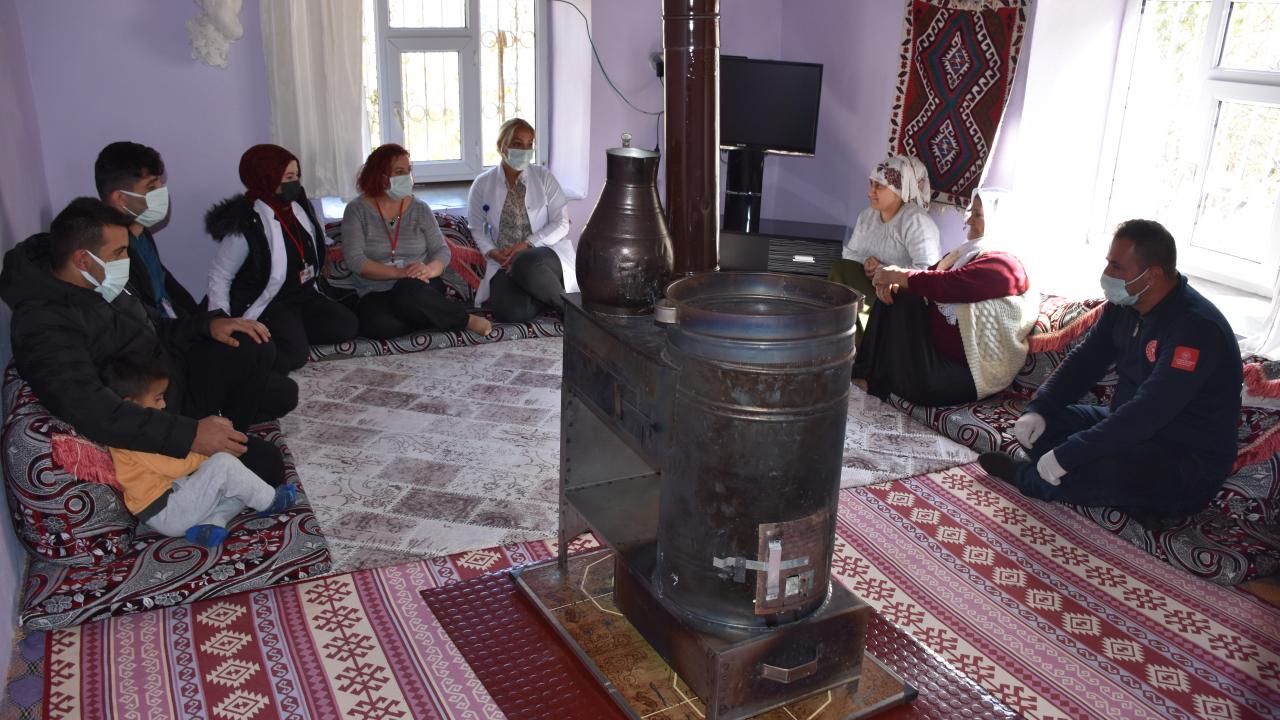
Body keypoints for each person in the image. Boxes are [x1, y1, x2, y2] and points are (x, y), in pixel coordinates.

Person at [0, 198, 287, 488]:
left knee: (253, 345)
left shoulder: (99, 279)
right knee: (269, 465)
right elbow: (93, 410)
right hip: (151, 420)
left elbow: (156, 326)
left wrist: (208, 324)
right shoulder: (43, 325)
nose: (126, 259)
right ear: (82, 260)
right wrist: (190, 434)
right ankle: (209, 453)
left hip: (171, 379)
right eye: (119, 252)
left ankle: (225, 432)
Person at [978, 219, 1242, 527]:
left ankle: (1027, 478)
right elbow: (1085, 361)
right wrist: (1040, 408)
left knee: (1102, 469)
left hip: (1183, 456)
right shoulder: (1125, 305)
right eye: (1108, 263)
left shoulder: (1196, 329)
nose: (1107, 274)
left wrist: (1069, 455)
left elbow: (1148, 412)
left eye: (1116, 266)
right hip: (1127, 426)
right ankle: (1111, 492)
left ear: (1152, 275)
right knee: (1044, 428)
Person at [95, 141, 298, 423]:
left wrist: (209, 321)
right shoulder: (112, 251)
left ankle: (222, 409)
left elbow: (168, 290)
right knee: (254, 347)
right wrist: (204, 327)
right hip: (162, 355)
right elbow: (147, 326)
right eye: (151, 187)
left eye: (160, 184)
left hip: (180, 334)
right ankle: (215, 425)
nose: (162, 193)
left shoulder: (140, 234)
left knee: (283, 391)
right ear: (121, 198)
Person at [852, 188, 1035, 405]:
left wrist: (897, 275)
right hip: (932, 355)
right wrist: (893, 282)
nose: (969, 220)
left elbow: (950, 285)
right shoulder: (962, 255)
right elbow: (928, 276)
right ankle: (865, 375)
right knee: (899, 294)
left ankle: (873, 379)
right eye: (971, 212)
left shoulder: (1006, 265)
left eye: (978, 215)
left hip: (964, 375)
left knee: (905, 294)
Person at [102, 356, 296, 548]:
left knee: (235, 487)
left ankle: (211, 525)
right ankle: (270, 501)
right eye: (158, 398)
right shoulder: (134, 438)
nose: (163, 405)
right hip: (167, 511)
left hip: (169, 501)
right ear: (131, 405)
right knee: (223, 464)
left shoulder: (128, 430)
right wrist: (209, 452)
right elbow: (175, 466)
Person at [206, 144, 359, 372]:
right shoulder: (248, 223)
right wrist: (221, 318)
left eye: (296, 176)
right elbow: (220, 274)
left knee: (346, 325)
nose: (295, 182)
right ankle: (261, 342)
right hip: (271, 302)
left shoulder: (298, 207)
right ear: (266, 177)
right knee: (293, 356)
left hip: (303, 295)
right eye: (288, 177)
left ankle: (290, 332)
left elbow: (311, 242)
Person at [341, 143, 493, 339]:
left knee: (407, 292)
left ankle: (464, 320)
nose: (407, 177)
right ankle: (429, 316)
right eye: (399, 172)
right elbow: (356, 261)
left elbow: (442, 251)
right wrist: (400, 272)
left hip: (419, 287)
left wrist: (428, 270)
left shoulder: (420, 209)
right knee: (377, 326)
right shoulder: (356, 210)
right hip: (375, 290)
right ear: (379, 175)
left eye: (408, 171)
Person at [467, 118, 579, 322]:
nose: (525, 151)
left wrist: (528, 244)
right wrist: (493, 252)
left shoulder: (544, 177)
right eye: (518, 144)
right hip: (504, 261)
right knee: (510, 313)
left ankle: (573, 313)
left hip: (543, 257)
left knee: (525, 263)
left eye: (530, 144)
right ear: (501, 147)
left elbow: (562, 223)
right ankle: (544, 292)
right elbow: (476, 227)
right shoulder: (482, 184)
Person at [827, 154, 941, 334]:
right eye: (871, 184)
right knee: (840, 269)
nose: (870, 192)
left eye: (879, 186)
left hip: (898, 297)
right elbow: (849, 255)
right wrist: (867, 263)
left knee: (857, 301)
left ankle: (865, 344)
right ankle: (841, 338)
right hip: (872, 288)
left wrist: (884, 271)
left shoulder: (917, 222)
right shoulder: (866, 216)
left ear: (899, 190)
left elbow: (929, 272)